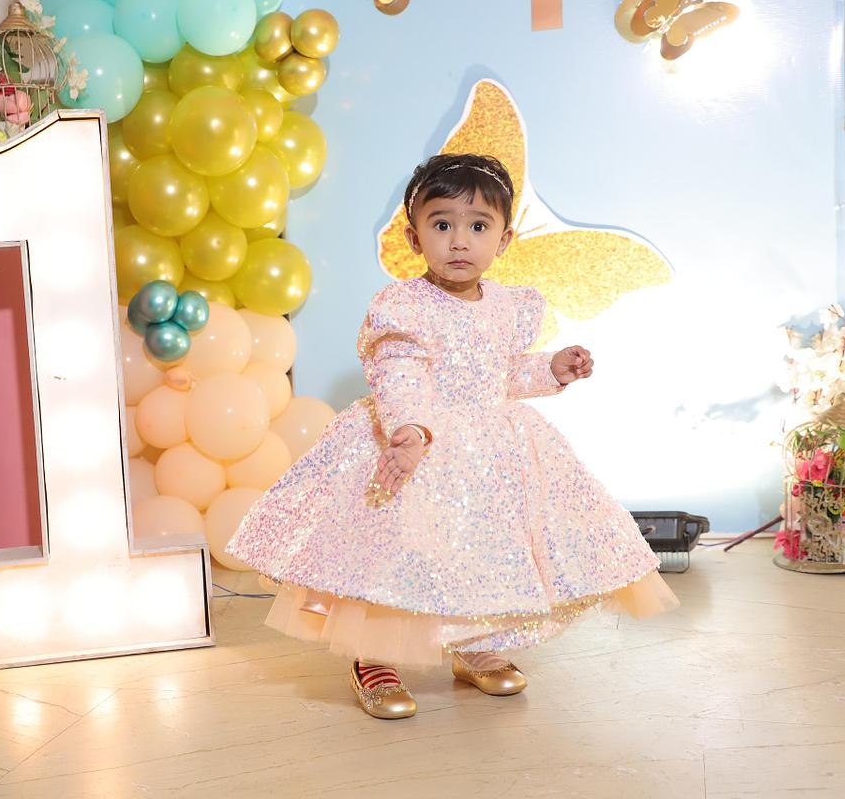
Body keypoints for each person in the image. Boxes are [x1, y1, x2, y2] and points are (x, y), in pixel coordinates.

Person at [226, 153, 679, 719]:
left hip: (491, 454)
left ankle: (475, 644)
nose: (459, 241)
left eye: (478, 226)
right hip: (416, 444)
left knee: (484, 551)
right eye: (441, 224)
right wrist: (410, 430)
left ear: (504, 239)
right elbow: (398, 373)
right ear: (414, 237)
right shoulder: (404, 306)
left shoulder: (509, 306)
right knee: (396, 552)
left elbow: (499, 374)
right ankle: (374, 655)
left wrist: (550, 369)